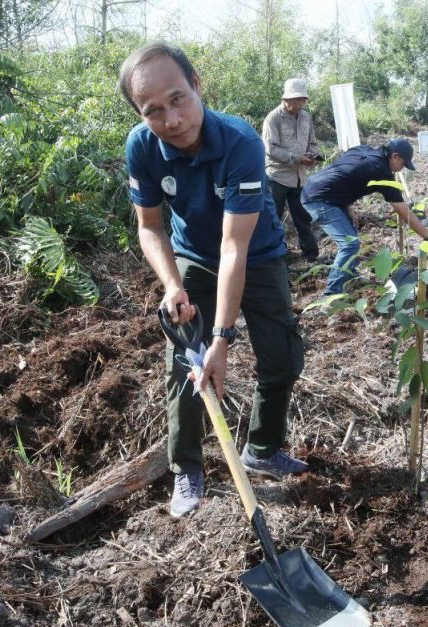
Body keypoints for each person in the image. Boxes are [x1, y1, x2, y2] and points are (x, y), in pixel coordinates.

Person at [119, 42, 308, 519]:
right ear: (142, 115)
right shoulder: (142, 147)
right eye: (154, 111)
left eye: (178, 98)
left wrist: (222, 337)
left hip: (257, 254)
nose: (173, 119)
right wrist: (171, 285)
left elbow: (235, 248)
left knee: (281, 355)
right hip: (192, 258)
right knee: (186, 363)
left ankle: (263, 448)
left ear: (197, 85)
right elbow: (150, 227)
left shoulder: (241, 142)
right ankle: (187, 467)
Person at [300, 139, 428, 295]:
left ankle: (349, 276)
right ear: (395, 156)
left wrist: (347, 208)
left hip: (318, 189)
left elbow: (343, 174)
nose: (401, 169)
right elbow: (403, 211)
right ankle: (331, 294)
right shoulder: (381, 171)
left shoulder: (363, 150)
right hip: (319, 199)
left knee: (351, 230)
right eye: (403, 164)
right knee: (349, 244)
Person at [262, 78, 321, 262]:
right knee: (273, 220)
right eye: (298, 99)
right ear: (287, 99)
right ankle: (274, 257)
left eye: (303, 99)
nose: (302, 103)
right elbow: (270, 150)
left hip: (299, 178)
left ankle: (311, 255)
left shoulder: (306, 117)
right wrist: (297, 158)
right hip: (277, 178)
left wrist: (312, 155)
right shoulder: (273, 118)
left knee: (303, 218)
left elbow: (312, 142)